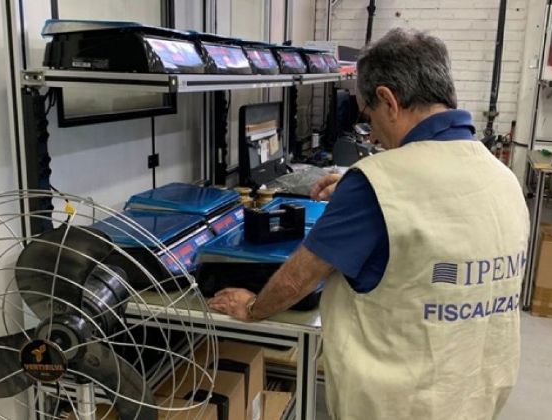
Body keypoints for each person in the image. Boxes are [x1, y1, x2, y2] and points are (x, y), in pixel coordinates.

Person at [208, 28, 530, 420]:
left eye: (369, 117)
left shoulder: (376, 183)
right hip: (475, 394)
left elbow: (297, 281)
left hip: (403, 406)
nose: (372, 135)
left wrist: (253, 307)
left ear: (388, 101)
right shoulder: (502, 176)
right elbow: (441, 219)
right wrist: (364, 190)